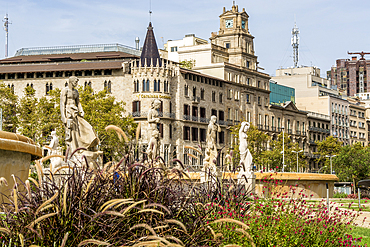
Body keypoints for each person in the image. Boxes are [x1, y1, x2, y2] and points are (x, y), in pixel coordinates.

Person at [60, 76, 99, 153]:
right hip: (69, 114)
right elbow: (62, 104)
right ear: (71, 82)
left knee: (88, 128)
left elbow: (78, 102)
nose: (77, 84)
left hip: (76, 113)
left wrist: (81, 110)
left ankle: (89, 145)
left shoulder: (76, 92)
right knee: (73, 134)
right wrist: (63, 117)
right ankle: (74, 151)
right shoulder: (65, 91)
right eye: (75, 82)